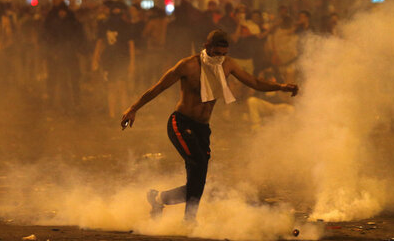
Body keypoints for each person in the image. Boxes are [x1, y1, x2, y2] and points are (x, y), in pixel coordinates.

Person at [120, 30, 298, 222]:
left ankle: (158, 198)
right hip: (180, 123)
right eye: (217, 53)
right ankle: (189, 220)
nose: (220, 57)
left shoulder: (227, 65)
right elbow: (159, 87)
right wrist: (133, 108)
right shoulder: (188, 65)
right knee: (199, 164)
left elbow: (254, 82)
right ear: (207, 47)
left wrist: (280, 86)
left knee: (197, 182)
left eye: (224, 54)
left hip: (202, 128)